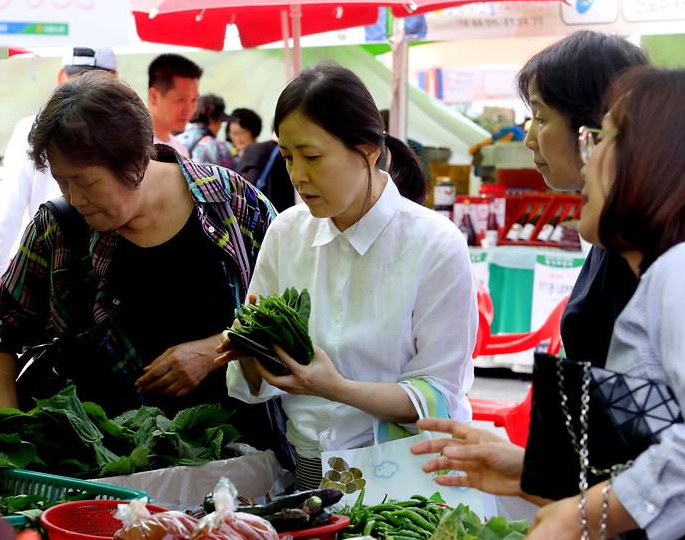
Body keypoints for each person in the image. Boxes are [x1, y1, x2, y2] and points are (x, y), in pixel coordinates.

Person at [413, 67, 685, 540]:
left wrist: (583, 514)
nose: (587, 163)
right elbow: (659, 456)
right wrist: (529, 473)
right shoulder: (663, 274)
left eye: (604, 139)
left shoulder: (682, 269)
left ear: (658, 160)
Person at [218, 62, 477, 489]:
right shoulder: (286, 232)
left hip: (406, 482)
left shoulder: (434, 243)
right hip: (306, 473)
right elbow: (254, 385)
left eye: (313, 157)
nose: (298, 176)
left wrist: (333, 387)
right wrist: (249, 351)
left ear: (368, 150)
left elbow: (438, 394)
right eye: (287, 157)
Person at [0, 72, 277, 426]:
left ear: (135, 161)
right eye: (61, 180)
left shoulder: (232, 204)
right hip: (103, 467)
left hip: (234, 453)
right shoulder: (57, 228)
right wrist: (6, 433)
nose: (74, 197)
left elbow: (290, 317)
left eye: (86, 182)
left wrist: (214, 350)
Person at [517, 31, 648, 367]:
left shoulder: (642, 239)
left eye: (541, 118)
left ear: (595, 126)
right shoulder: (614, 223)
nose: (529, 139)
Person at [0, 47, 118, 296]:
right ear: (114, 78)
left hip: (51, 270)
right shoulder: (131, 130)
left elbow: (9, 205)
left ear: (61, 76)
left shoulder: (31, 128)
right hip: (113, 270)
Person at [147, 53, 202, 158]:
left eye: (194, 100)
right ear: (154, 96)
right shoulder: (134, 145)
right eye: (181, 99)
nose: (189, 109)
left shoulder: (181, 149)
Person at [177, 94, 236, 170]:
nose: (221, 125)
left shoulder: (176, 140)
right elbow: (232, 177)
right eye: (220, 121)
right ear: (212, 118)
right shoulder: (218, 146)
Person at [237, 139, 296, 212]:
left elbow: (249, 181)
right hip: (284, 207)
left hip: (261, 206)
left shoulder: (254, 149)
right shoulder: (286, 151)